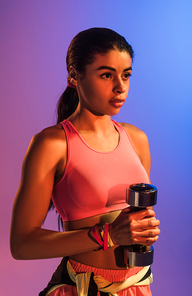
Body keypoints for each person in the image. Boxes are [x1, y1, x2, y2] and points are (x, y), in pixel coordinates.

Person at [10, 28, 160, 296]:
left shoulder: (137, 139)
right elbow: (21, 245)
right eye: (106, 75)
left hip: (137, 286)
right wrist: (108, 236)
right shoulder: (52, 144)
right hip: (82, 288)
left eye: (126, 75)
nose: (120, 87)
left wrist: (143, 229)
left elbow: (136, 219)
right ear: (73, 75)